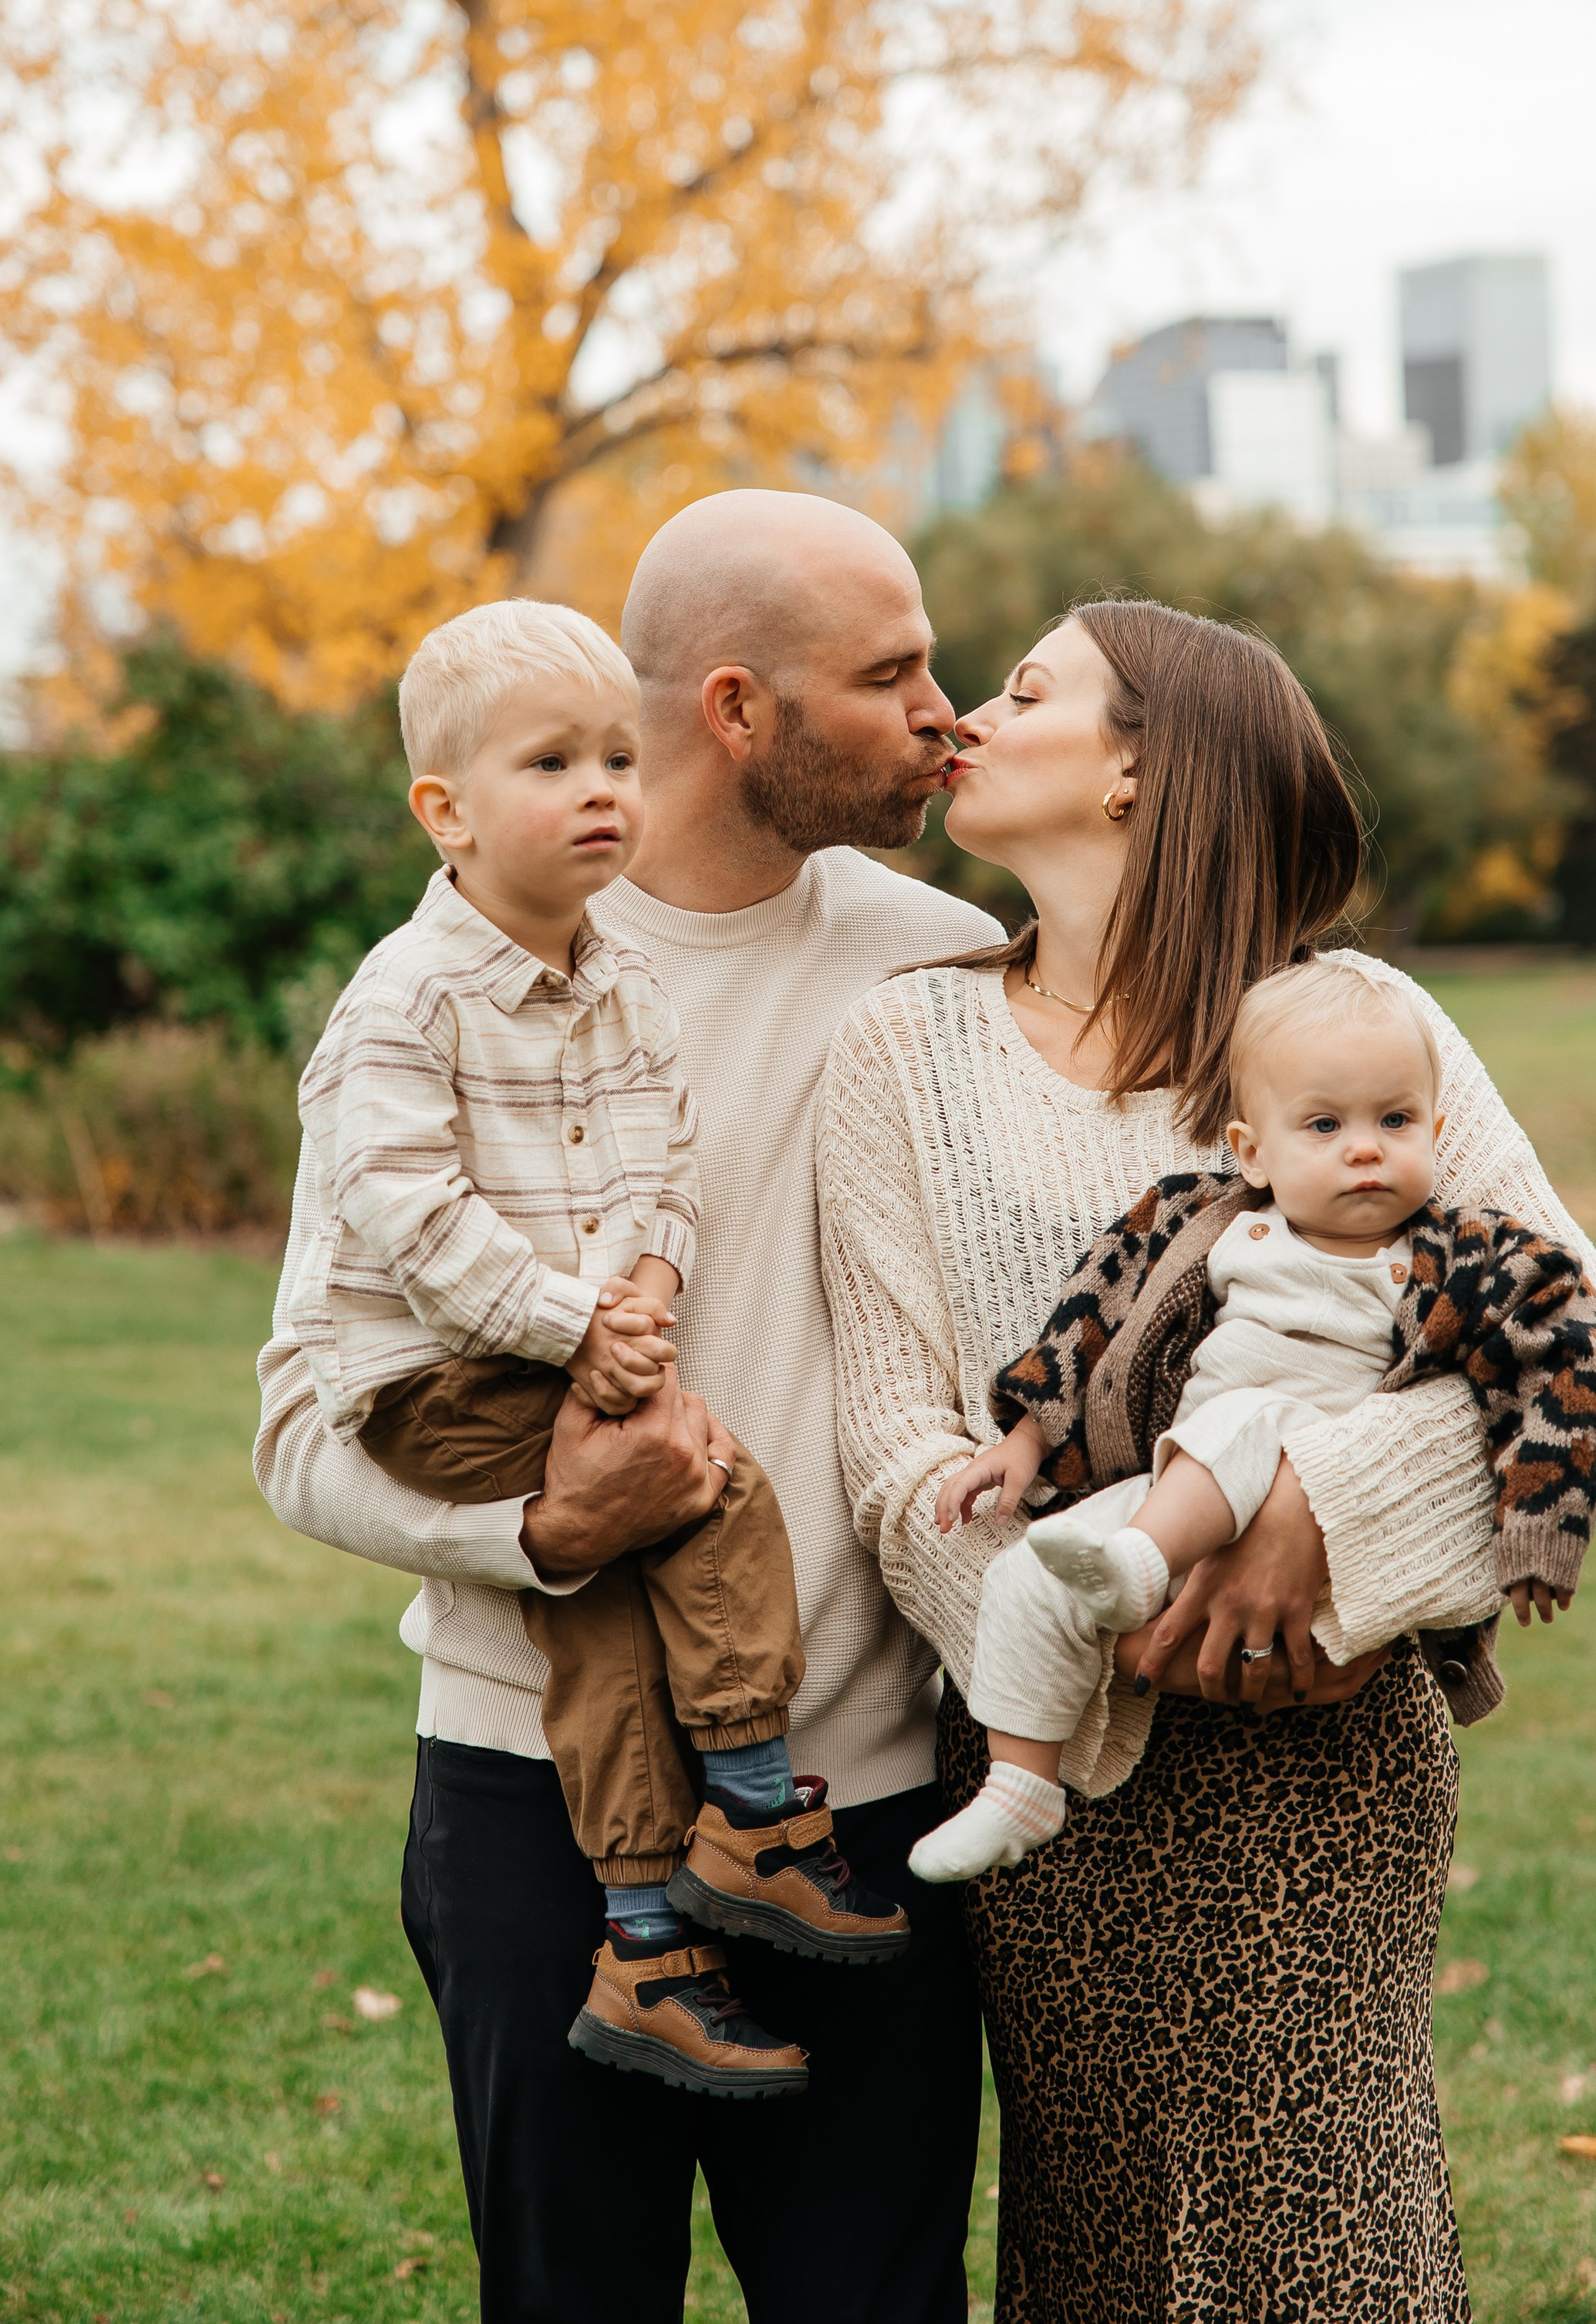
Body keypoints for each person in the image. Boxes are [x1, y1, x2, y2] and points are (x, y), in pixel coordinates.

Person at [818, 597, 1596, 2324]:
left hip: (1324, 1747)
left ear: (1138, 769)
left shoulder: (1354, 1034)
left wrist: (1311, 1523)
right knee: (1111, 2252)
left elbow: (1595, 1355)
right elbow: (899, 1442)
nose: (971, 709)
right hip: (1051, 1773)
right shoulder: (900, 1046)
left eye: (1024, 687)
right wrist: (1098, 1625)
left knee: (1334, 2246)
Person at [254, 493, 1000, 2321]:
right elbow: (295, 1417)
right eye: (887, 671)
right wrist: (526, 1528)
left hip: (860, 1811)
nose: (943, 712)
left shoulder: (947, 963)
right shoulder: (447, 992)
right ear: (740, 708)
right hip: (529, 1797)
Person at [285, 596, 910, 2104]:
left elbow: (658, 1160)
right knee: (705, 1484)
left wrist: (642, 1290)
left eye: (612, 761)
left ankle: (643, 1942)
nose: (598, 793)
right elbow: (403, 1212)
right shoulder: (403, 999)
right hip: (434, 1390)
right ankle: (753, 1820)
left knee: (609, 1618)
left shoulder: (619, 982)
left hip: (570, 1355)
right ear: (442, 812)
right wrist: (583, 1341)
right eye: (551, 764)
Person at [908, 952, 1596, 1883]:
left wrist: (1539, 1525)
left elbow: (1576, 1355)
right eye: (1324, 1125)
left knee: (1247, 1421)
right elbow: (1088, 1323)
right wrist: (1026, 1436)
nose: (1364, 1148)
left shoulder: (1463, 1253)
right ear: (1252, 1150)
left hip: (1317, 1497)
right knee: (1025, 1577)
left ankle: (1137, 1567)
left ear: (1437, 1132)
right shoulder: (1199, 1224)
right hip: (1178, 1488)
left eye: (1395, 1120)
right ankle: (1022, 1782)